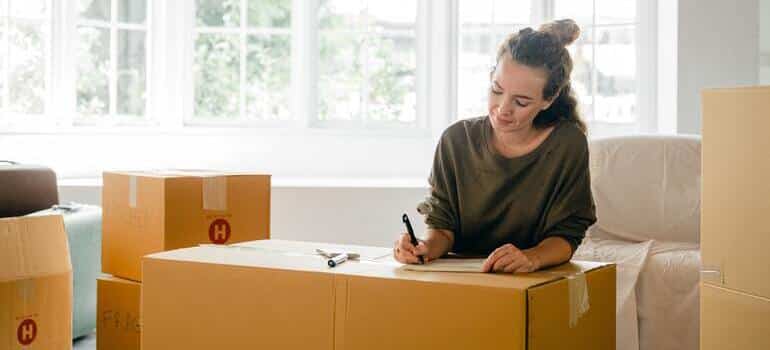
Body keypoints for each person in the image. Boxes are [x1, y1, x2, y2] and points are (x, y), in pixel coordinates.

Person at [393, 19, 596, 274]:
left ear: (549, 99)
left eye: (521, 102)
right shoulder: (456, 140)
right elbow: (442, 226)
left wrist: (531, 257)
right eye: (497, 90)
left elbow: (568, 233)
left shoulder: (567, 144)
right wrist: (423, 247)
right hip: (462, 279)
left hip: (533, 280)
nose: (502, 110)